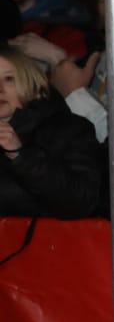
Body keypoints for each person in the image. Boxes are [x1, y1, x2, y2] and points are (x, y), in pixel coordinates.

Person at [0, 47, 102, 218]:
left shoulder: (69, 129)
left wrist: (20, 155)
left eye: (9, 79)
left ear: (32, 85)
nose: (0, 89)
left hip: (47, 242)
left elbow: (81, 201)